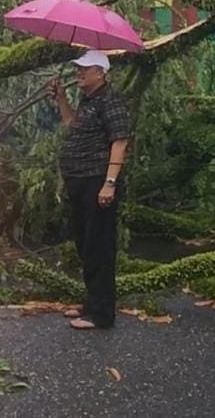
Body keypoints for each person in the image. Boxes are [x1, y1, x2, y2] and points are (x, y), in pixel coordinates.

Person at [49, 50, 131, 330]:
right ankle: (91, 303)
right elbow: (71, 124)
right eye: (78, 69)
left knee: (99, 247)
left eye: (85, 69)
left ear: (101, 73)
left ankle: (101, 314)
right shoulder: (88, 100)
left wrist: (109, 183)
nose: (79, 74)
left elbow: (119, 141)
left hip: (98, 181)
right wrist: (61, 98)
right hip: (79, 182)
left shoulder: (112, 101)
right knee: (85, 245)